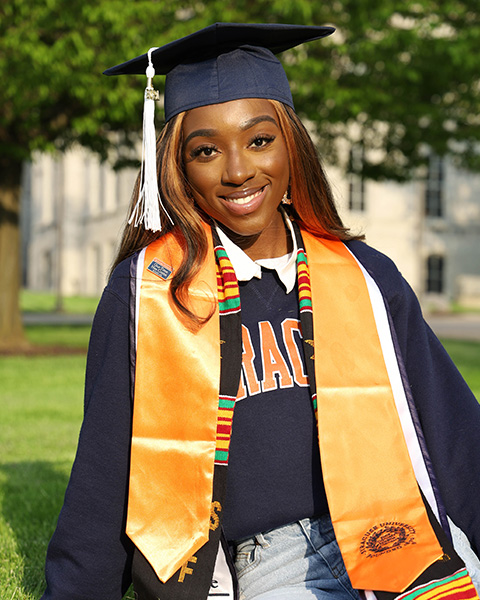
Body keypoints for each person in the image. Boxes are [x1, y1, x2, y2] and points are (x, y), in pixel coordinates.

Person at [41, 22, 480, 600]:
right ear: (177, 166)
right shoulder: (151, 292)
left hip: (399, 531)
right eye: (205, 150)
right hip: (276, 561)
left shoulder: (366, 276)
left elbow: (451, 431)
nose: (238, 170)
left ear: (291, 144)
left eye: (259, 140)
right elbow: (106, 467)